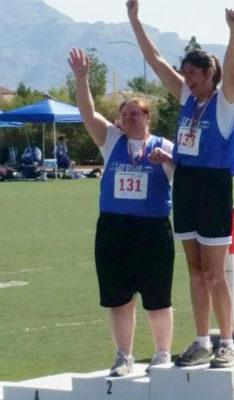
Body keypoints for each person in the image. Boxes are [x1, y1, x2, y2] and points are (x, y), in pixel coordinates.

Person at [127, 0, 234, 368]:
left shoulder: (224, 102)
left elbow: (233, 69)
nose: (187, 78)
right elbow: (156, 60)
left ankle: (228, 342)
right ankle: (202, 340)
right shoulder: (188, 100)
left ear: (210, 74)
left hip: (214, 187)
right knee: (194, 269)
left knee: (215, 271)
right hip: (187, 183)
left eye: (194, 73)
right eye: (186, 72)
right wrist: (135, 20)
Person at [68, 47, 175, 376]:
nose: (130, 118)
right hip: (114, 229)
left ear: (148, 118)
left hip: (153, 230)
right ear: (118, 120)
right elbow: (88, 114)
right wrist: (82, 78)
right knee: (117, 298)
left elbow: (185, 176)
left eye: (137, 114)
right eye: (125, 114)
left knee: (157, 297)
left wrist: (167, 162)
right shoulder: (110, 141)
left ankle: (161, 354)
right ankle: (124, 356)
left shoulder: (165, 146)